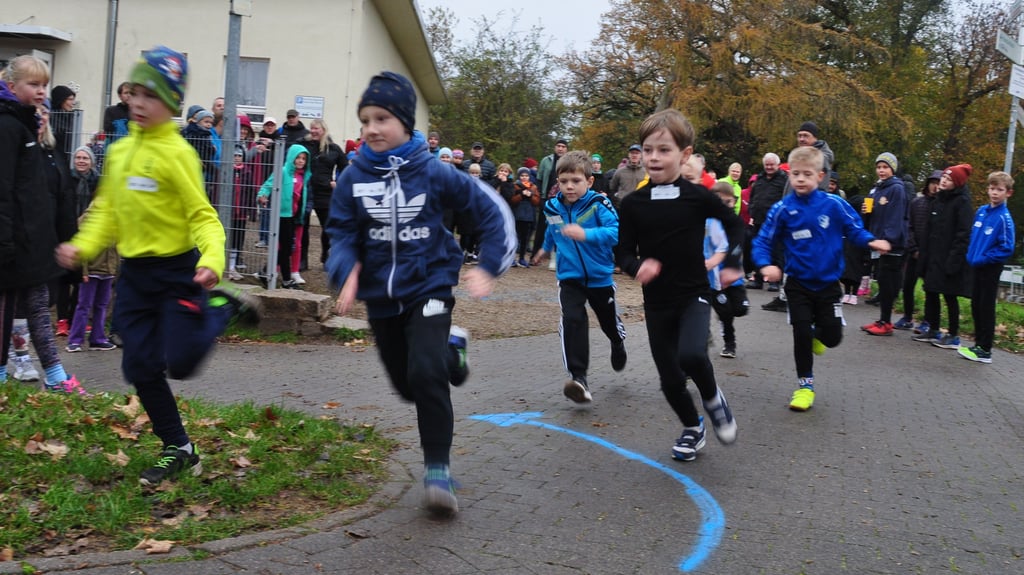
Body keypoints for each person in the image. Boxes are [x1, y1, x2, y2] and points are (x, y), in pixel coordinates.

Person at [56, 45, 259, 485]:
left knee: (183, 364)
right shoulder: (122, 150)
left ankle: (220, 308)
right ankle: (179, 447)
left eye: (151, 96)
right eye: (135, 93)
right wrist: (81, 245)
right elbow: (107, 210)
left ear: (172, 104)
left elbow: (204, 217)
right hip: (134, 276)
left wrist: (212, 260)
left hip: (178, 271)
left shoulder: (178, 153)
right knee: (140, 366)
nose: (139, 103)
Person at [325, 71, 515, 516]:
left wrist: (488, 267)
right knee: (409, 386)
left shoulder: (434, 171)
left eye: (382, 118)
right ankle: (453, 349)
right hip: (381, 298)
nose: (371, 128)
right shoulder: (353, 179)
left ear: (406, 123)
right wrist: (345, 269)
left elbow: (491, 212)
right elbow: (341, 233)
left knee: (427, 375)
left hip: (429, 284)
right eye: (365, 119)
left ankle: (437, 471)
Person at [614, 109, 741, 462]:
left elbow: (734, 225)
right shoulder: (633, 204)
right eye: (648, 149)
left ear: (684, 155)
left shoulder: (697, 197)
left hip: (694, 294)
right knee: (669, 381)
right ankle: (692, 427)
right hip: (656, 302)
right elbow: (622, 252)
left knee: (692, 355)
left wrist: (730, 262)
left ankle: (714, 397)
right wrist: (637, 265)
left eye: (664, 150)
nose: (654, 157)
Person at [753, 146, 890, 412]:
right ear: (789, 176)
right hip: (797, 284)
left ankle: (820, 333)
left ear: (821, 176)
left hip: (828, 284)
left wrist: (872, 241)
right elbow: (762, 240)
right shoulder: (783, 208)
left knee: (832, 338)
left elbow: (854, 229)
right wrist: (765, 264)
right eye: (795, 174)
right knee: (800, 333)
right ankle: (805, 386)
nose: (801, 179)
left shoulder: (834, 204)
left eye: (807, 174)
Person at [0, 55, 82, 393]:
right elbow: (4, 187)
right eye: (33, 84)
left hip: (33, 240)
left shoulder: (28, 125)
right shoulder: (7, 126)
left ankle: (54, 373)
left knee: (36, 304)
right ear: (11, 85)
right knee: (5, 309)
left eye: (44, 85)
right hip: (13, 240)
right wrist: (4, 239)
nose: (41, 91)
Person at [530, 151, 625, 403]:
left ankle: (617, 341)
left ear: (589, 181)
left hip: (599, 277)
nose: (569, 186)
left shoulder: (599, 204)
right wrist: (544, 248)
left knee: (608, 323)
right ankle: (578, 379)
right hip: (569, 276)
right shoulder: (552, 205)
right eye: (563, 181)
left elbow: (615, 233)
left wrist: (586, 234)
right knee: (572, 319)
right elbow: (553, 229)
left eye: (575, 181)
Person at [912, 164, 974, 349]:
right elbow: (929, 229)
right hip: (932, 256)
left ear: (956, 183)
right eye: (943, 179)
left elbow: (963, 234)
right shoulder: (938, 200)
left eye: (948, 179)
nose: (943, 182)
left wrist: (954, 260)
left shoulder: (962, 202)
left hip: (949, 258)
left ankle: (954, 335)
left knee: (949, 295)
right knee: (931, 291)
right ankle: (934, 328)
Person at [959, 171, 1016, 363]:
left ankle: (985, 349)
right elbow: (973, 238)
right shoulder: (981, 211)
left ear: (1008, 193)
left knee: (986, 306)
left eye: (999, 190)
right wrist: (970, 256)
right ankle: (978, 344)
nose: (994, 193)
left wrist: (984, 258)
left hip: (990, 268)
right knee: (976, 304)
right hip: (975, 266)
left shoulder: (1004, 218)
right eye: (992, 188)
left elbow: (1006, 247)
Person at [861, 152, 908, 336]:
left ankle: (886, 323)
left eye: (885, 167)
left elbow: (896, 217)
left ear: (892, 169)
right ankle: (882, 319)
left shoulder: (896, 189)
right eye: (879, 167)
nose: (881, 170)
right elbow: (877, 216)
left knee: (888, 283)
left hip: (891, 245)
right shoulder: (877, 189)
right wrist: (867, 213)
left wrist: (888, 240)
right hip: (878, 242)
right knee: (881, 280)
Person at [894, 170, 942, 329]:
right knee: (907, 285)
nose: (935, 186)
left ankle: (928, 321)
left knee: (930, 289)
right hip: (914, 252)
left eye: (939, 183)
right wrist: (913, 248)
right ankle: (907, 316)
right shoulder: (916, 203)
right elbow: (910, 226)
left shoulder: (942, 206)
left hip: (931, 254)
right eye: (933, 182)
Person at [707, 183, 750, 358]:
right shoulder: (708, 223)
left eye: (728, 202)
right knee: (726, 313)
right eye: (720, 202)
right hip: (714, 279)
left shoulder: (736, 224)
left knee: (740, 309)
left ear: (734, 201)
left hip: (734, 277)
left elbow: (745, 247)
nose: (724, 206)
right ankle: (729, 344)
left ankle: (725, 318)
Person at [258, 144, 310, 288]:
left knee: (286, 248)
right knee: (286, 248)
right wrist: (262, 195)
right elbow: (268, 184)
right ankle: (285, 279)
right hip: (281, 215)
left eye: (303, 159)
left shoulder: (303, 176)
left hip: (294, 215)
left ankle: (267, 272)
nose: (300, 161)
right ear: (291, 157)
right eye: (298, 157)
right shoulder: (283, 171)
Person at [299, 118, 347, 269]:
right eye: (311, 128)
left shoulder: (333, 148)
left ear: (323, 130)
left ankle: (326, 255)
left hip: (325, 193)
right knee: (303, 227)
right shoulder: (303, 145)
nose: (313, 131)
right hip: (305, 191)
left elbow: (345, 168)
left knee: (328, 227)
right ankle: (302, 260)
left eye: (316, 129)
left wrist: (338, 183)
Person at [747, 153, 787, 290]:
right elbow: (753, 197)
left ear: (778, 165)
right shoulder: (759, 179)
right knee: (758, 249)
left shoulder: (784, 180)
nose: (769, 167)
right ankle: (757, 278)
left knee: (776, 251)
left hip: (776, 222)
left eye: (772, 164)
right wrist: (752, 210)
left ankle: (774, 281)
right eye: (767, 165)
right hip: (758, 219)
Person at [534, 139, 568, 253]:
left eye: (563, 146)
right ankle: (535, 253)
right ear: (555, 147)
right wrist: (540, 195)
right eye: (558, 146)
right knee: (542, 226)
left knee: (558, 227)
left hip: (562, 200)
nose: (560, 148)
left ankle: (556, 255)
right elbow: (539, 178)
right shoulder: (546, 160)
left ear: (566, 149)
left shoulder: (568, 163)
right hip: (546, 198)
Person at [509, 166, 541, 267]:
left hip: (528, 216)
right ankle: (511, 258)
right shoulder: (515, 186)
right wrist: (521, 195)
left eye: (526, 175)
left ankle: (522, 258)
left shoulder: (533, 187)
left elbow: (537, 201)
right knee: (515, 238)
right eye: (522, 175)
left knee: (525, 239)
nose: (524, 177)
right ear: (519, 176)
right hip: (517, 215)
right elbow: (512, 200)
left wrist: (530, 196)